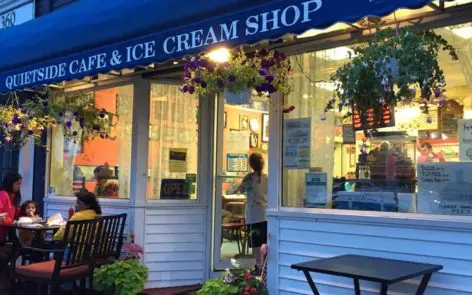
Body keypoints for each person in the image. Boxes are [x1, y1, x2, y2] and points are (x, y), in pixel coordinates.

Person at [233, 153, 268, 276]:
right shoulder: (268, 178)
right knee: (265, 242)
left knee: (256, 244)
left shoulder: (249, 178)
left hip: (254, 216)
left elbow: (239, 190)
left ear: (251, 164)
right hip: (266, 214)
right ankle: (265, 267)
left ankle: (258, 267)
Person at [0, 172, 22, 277]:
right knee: (16, 246)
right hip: (2, 232)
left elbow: (13, 214)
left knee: (18, 246)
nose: (19, 186)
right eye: (17, 184)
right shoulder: (3, 194)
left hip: (7, 232)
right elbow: (1, 216)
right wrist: (11, 221)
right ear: (10, 183)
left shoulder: (13, 197)